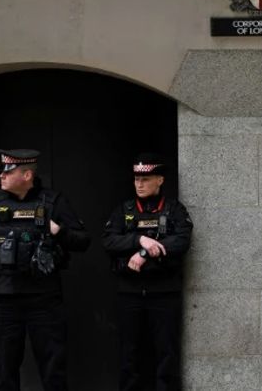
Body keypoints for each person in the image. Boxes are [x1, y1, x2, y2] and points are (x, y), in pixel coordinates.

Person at [0, 149, 91, 391]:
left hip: (44, 300)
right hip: (4, 300)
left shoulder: (52, 202)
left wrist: (58, 231)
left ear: (27, 174)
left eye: (8, 171)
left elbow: (83, 241)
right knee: (4, 371)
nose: (1, 175)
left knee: (53, 371)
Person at [103, 153, 193, 391]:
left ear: (160, 180)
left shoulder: (174, 210)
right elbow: (109, 241)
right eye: (136, 179)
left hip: (164, 293)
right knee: (128, 355)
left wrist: (143, 254)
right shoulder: (125, 210)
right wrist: (139, 239)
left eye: (146, 178)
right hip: (130, 293)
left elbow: (181, 242)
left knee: (167, 355)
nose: (139, 184)